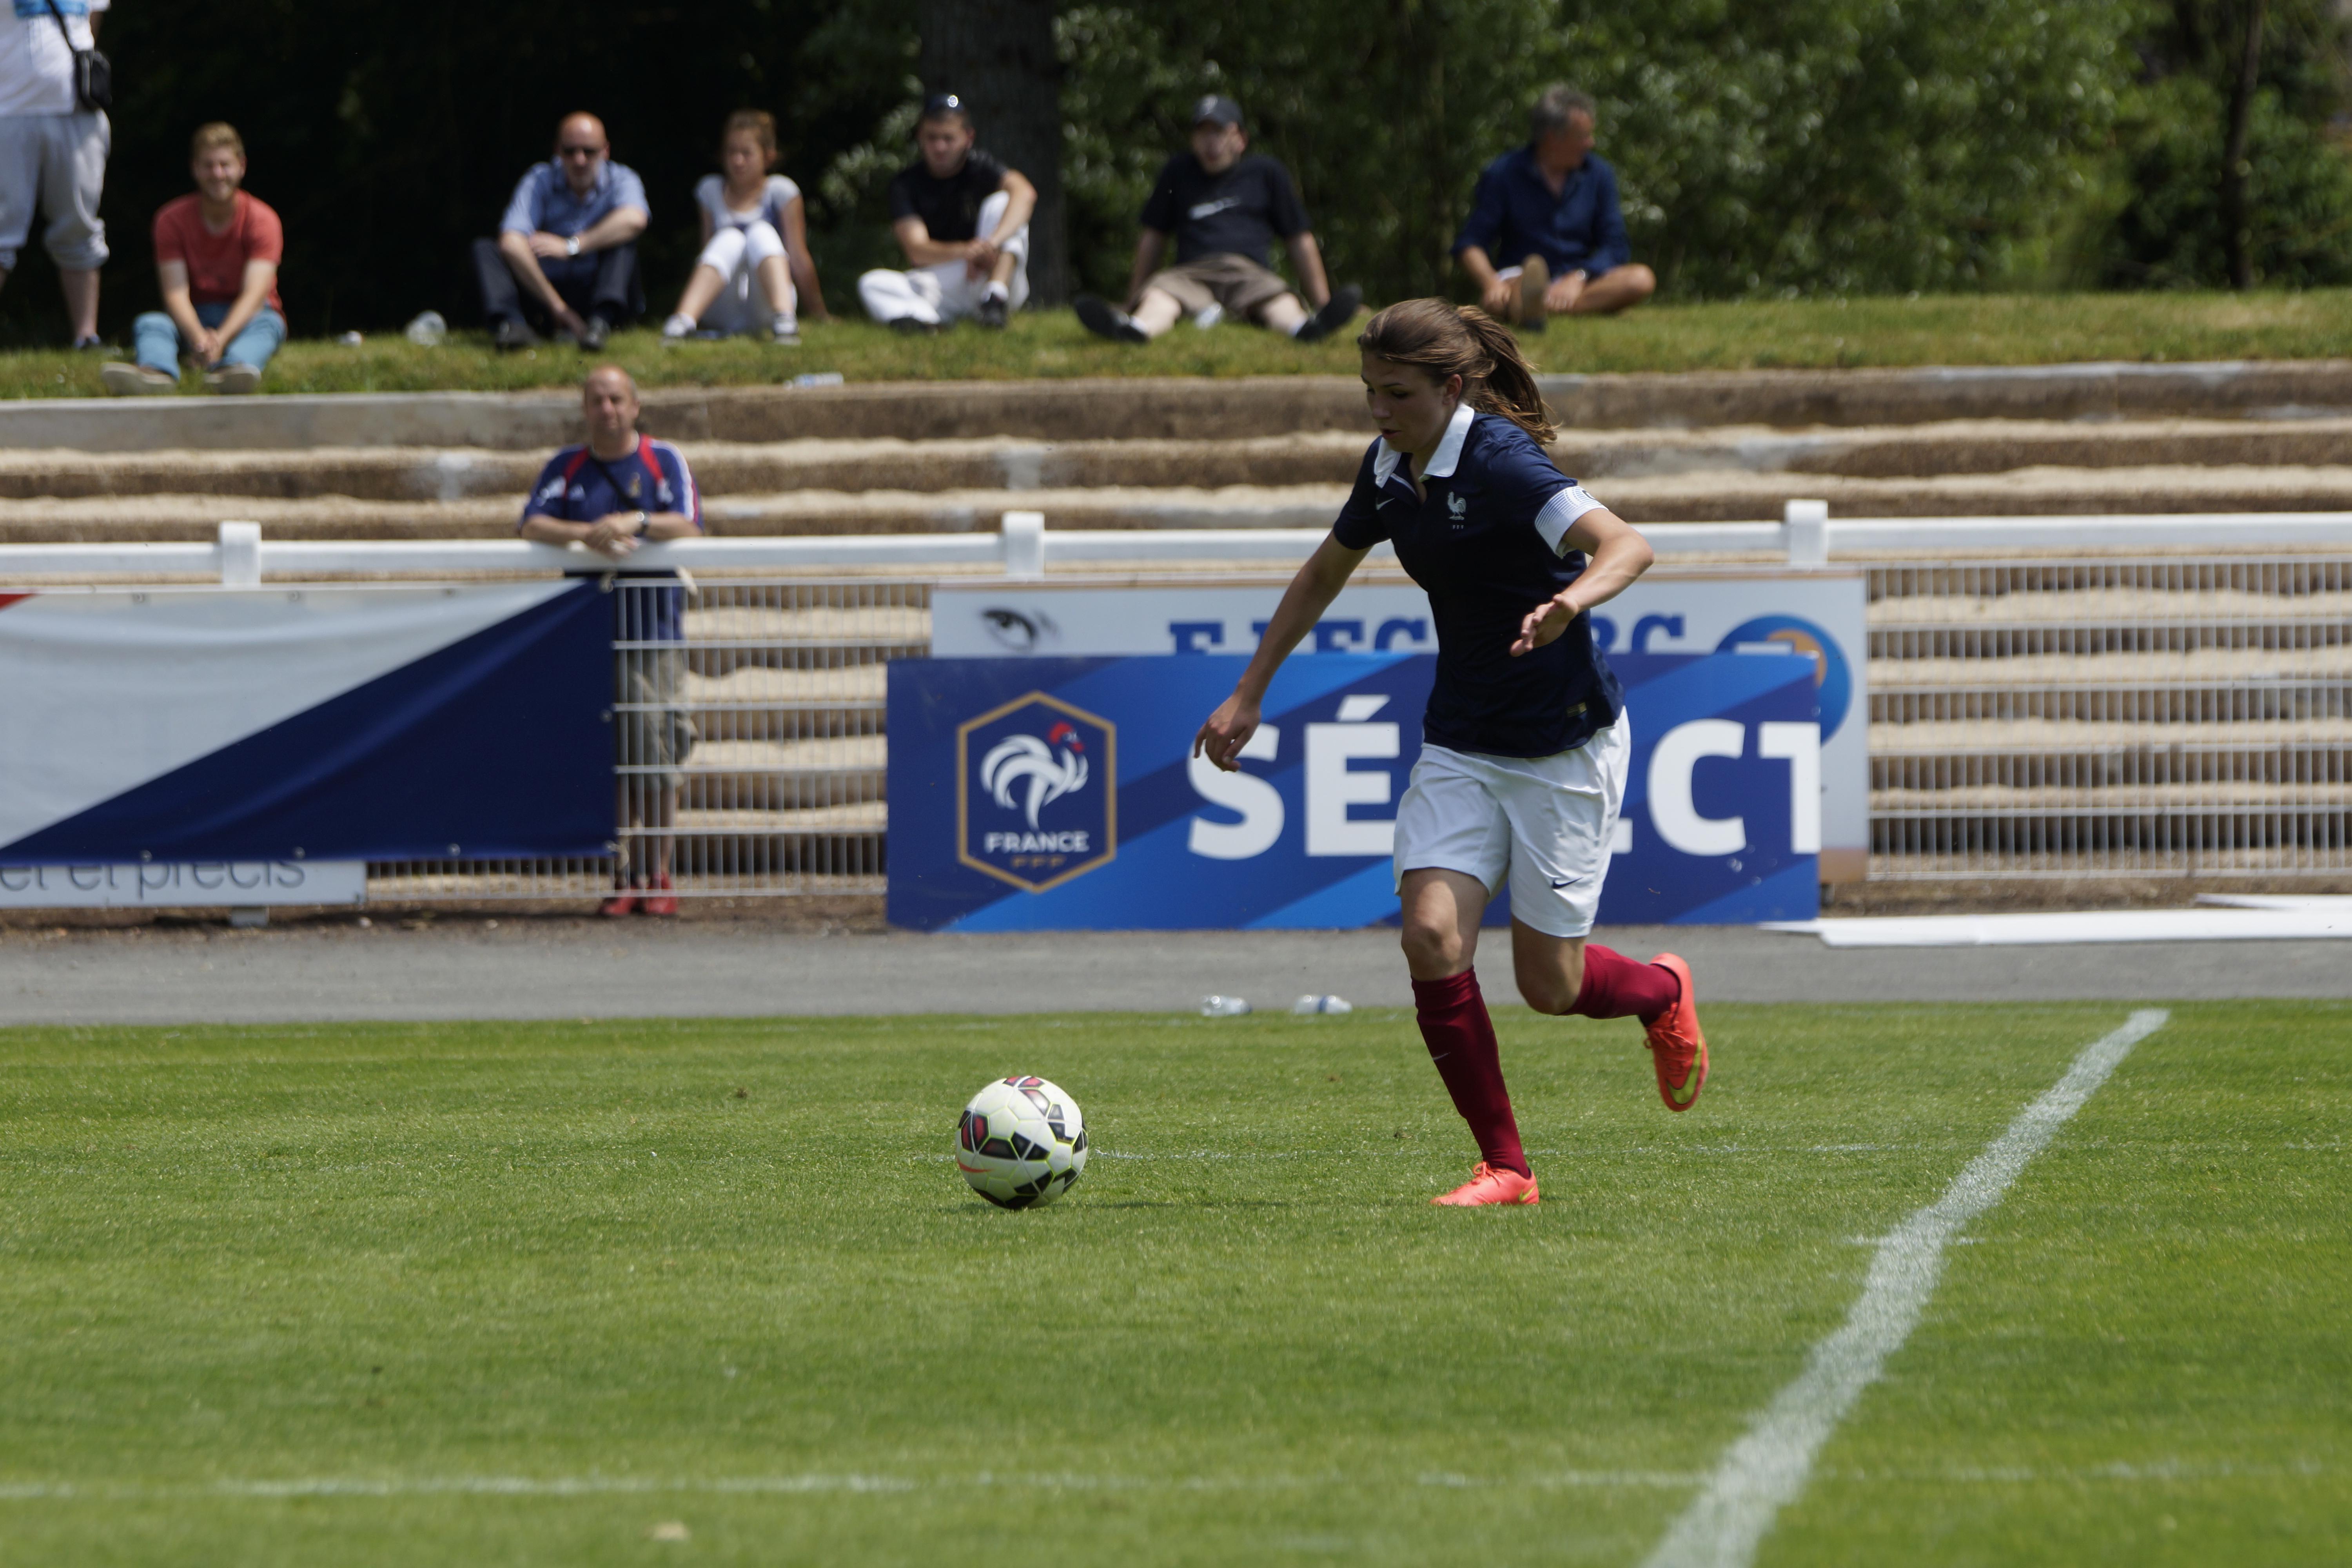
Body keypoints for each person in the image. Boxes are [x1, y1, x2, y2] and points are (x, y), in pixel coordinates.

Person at [1192, 299, 1706, 1208]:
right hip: (1463, 741)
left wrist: (1572, 602)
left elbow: (1627, 544)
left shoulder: (1504, 463)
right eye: (1368, 392)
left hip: (1563, 744)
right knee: (1429, 935)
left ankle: (1662, 992)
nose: (1377, 411)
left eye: (1395, 393)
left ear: (1452, 388)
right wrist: (1249, 691)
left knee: (1551, 984)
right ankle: (1507, 1167)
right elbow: (1322, 572)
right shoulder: (1391, 468)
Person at [519, 366, 704, 916]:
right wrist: (589, 534)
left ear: (635, 406)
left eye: (617, 400)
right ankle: (621, 874)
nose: (608, 410)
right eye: (598, 401)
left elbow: (688, 524)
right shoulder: (566, 466)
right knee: (614, 761)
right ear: (585, 408)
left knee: (660, 756)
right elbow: (532, 523)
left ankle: (660, 874)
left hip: (653, 631)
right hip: (586, 633)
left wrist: (634, 521)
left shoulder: (662, 460)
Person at [1075, 95, 1359, 346]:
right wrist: (1132, 298)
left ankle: (1305, 329)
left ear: (1241, 139)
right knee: (1160, 297)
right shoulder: (1178, 171)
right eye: (1202, 133)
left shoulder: (1266, 172)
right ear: (1192, 139)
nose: (1211, 142)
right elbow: (1154, 236)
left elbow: (1299, 238)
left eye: (1220, 132)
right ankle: (1135, 330)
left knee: (1279, 300)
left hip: (1248, 273)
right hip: (1190, 274)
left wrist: (1322, 301)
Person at [1454, 85, 1656, 332]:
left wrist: (1580, 276)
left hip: (1578, 278)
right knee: (1513, 287)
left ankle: (1528, 307)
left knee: (1640, 279)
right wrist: (1490, 284)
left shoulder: (1599, 174)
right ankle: (1526, 299)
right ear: (1553, 137)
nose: (1590, 143)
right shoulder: (1503, 173)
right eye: (1583, 136)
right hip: (1520, 273)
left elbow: (1615, 244)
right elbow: (1471, 244)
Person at [101, 122, 283, 396]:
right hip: (192, 315)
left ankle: (233, 370)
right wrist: (199, 338)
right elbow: (175, 294)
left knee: (270, 325)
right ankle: (156, 373)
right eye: (208, 165)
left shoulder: (263, 219)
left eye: (225, 165)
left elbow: (255, 295)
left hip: (249, 315)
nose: (217, 173)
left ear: (242, 166)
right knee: (151, 323)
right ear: (195, 168)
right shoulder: (170, 220)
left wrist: (219, 341)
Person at [857, 93, 1034, 333]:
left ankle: (995, 300)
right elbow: (917, 251)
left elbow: (1025, 194)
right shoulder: (906, 184)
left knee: (1004, 202)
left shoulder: (981, 168)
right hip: (949, 279)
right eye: (932, 138)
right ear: (920, 137)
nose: (940, 147)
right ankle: (929, 324)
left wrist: (989, 245)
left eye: (948, 138)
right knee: (872, 283)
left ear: (968, 138)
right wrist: (967, 251)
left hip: (993, 270)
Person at [474, 113, 648, 352]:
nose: (580, 160)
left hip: (597, 290)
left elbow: (635, 220)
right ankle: (513, 326)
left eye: (589, 151)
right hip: (546, 294)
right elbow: (511, 241)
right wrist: (558, 307)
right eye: (570, 151)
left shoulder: (623, 179)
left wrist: (572, 246)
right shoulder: (539, 179)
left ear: (605, 151)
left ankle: (600, 324)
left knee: (623, 242)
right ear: (557, 151)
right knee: (486, 249)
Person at [661, 110, 826, 346]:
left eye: (746, 153)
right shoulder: (710, 190)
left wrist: (819, 312)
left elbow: (799, 258)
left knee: (761, 232)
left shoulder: (781, 191)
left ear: (767, 157)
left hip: (765, 304)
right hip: (723, 305)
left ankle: (785, 321)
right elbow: (707, 254)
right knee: (730, 237)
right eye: (731, 152)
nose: (737, 161)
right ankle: (681, 323)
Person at [0, 0, 107, 348]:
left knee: (80, 225)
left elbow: (91, 27)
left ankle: (86, 337)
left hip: (79, 113)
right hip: (9, 112)